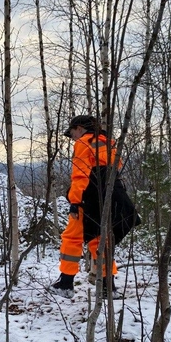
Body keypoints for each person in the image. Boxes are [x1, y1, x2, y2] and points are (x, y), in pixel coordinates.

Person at [49, 115, 121, 299]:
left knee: (72, 238)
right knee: (100, 240)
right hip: (108, 200)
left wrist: (75, 201)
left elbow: (81, 175)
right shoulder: (109, 143)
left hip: (86, 200)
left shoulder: (84, 143)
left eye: (72, 133)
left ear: (80, 128)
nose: (73, 138)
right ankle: (108, 287)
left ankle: (65, 284)